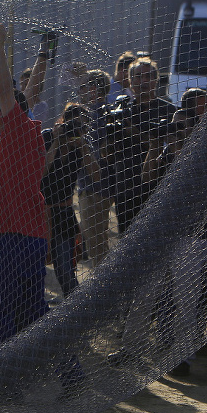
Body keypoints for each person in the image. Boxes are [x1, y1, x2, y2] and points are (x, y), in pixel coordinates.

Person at [0, 24, 52, 352]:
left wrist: (1, 45)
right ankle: (70, 373)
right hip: (28, 238)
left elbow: (4, 90)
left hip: (13, 239)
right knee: (34, 313)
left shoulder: (20, 134)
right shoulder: (17, 138)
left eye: (0, 110)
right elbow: (0, 87)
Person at [111, 57, 176, 234]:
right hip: (126, 187)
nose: (143, 81)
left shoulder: (168, 110)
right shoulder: (122, 110)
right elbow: (107, 151)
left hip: (155, 188)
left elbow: (172, 147)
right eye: (138, 77)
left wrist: (135, 133)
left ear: (156, 81)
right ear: (130, 81)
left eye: (148, 77)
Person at [42, 102, 102, 296]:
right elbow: (41, 171)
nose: (75, 130)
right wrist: (57, 141)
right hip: (40, 212)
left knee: (65, 271)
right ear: (62, 121)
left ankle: (75, 309)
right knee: (34, 270)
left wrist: (84, 147)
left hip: (64, 214)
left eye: (81, 127)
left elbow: (96, 176)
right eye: (72, 124)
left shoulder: (81, 146)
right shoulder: (47, 136)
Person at [77, 69, 116, 267]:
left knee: (96, 244)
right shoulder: (103, 111)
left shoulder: (95, 114)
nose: (79, 90)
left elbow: (97, 152)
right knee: (96, 240)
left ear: (93, 89)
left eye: (83, 86)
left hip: (95, 187)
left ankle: (106, 286)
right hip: (99, 185)